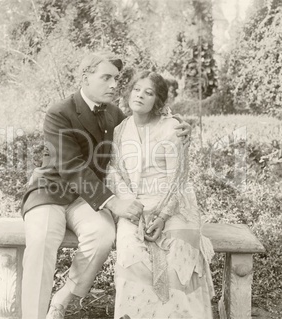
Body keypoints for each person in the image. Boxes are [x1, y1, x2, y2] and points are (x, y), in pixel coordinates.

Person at [20, 52, 192, 319]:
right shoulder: (60, 112)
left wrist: (181, 127)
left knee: (102, 235)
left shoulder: (114, 114)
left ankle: (64, 298)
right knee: (42, 240)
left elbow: (148, 121)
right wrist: (115, 202)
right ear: (85, 77)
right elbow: (71, 166)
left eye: (116, 79)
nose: (114, 85)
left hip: (86, 200)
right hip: (51, 192)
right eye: (106, 77)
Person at [107, 71, 215, 319]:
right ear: (129, 93)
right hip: (134, 205)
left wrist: (161, 216)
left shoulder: (171, 128)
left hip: (172, 204)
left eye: (149, 92)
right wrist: (129, 206)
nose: (141, 96)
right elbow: (115, 172)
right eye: (137, 90)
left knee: (177, 254)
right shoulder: (120, 131)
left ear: (158, 101)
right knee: (131, 252)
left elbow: (178, 179)